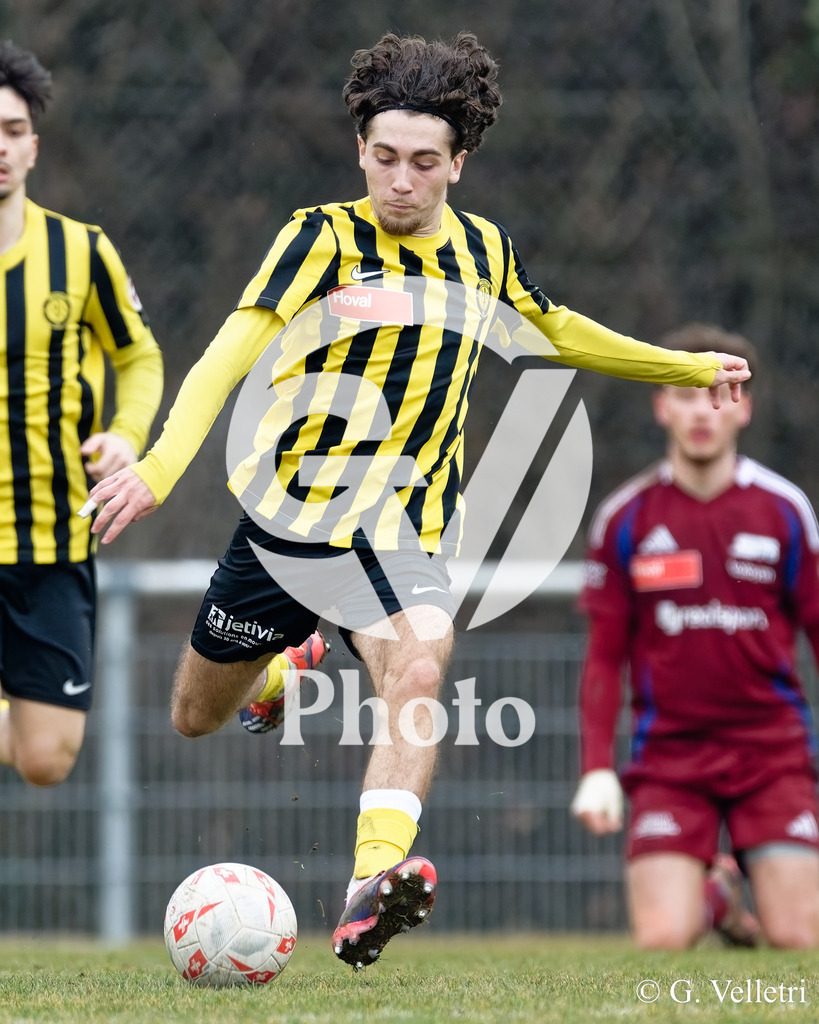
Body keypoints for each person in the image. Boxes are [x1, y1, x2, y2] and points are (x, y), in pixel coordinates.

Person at [85, 33, 749, 969]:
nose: (402, 180)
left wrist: (680, 364)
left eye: (425, 163)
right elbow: (225, 356)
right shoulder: (316, 239)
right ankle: (279, 670)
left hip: (402, 535)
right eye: (385, 158)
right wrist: (158, 469)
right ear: (361, 150)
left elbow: (553, 328)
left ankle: (368, 885)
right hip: (288, 528)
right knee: (194, 713)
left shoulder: (482, 252)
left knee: (421, 672)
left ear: (458, 164)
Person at [571, 323, 819, 950]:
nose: (703, 410)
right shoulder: (625, 519)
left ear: (745, 406)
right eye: (686, 392)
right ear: (661, 403)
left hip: (773, 754)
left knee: (801, 939)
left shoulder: (786, 511)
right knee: (664, 940)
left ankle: (745, 887)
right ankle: (714, 895)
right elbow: (604, 657)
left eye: (721, 393)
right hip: (671, 760)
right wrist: (597, 768)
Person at [0, 42, 163, 788]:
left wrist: (126, 439)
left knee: (45, 760)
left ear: (34, 144)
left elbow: (139, 358)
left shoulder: (81, 252)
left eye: (11, 130)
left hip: (52, 545)